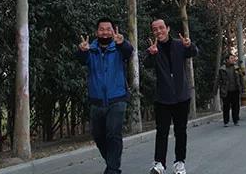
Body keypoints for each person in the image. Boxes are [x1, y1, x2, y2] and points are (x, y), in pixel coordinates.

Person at [77, 18, 134, 174]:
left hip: (117, 98)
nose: (105, 32)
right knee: (98, 135)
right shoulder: (91, 50)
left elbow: (129, 52)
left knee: (113, 134)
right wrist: (82, 51)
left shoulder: (119, 48)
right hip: (96, 101)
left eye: (108, 29)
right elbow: (81, 60)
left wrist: (122, 43)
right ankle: (111, 163)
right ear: (97, 32)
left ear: (113, 31)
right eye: (102, 29)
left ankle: (113, 170)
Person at [145, 19, 198, 174]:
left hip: (182, 96)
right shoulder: (153, 48)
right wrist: (151, 54)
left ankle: (180, 163)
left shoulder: (179, 44)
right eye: (155, 29)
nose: (158, 31)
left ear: (168, 28)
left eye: (161, 28)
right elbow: (147, 64)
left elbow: (193, 52)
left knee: (180, 131)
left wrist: (189, 45)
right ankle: (159, 164)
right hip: (162, 98)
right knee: (161, 132)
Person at [218, 54, 244, 127]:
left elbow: (241, 78)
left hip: (235, 90)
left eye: (233, 58)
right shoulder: (222, 69)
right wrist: (216, 90)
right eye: (231, 58)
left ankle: (236, 120)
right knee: (226, 107)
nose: (233, 60)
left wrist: (243, 87)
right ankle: (226, 121)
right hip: (226, 91)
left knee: (236, 106)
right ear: (227, 60)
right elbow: (218, 79)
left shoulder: (236, 68)